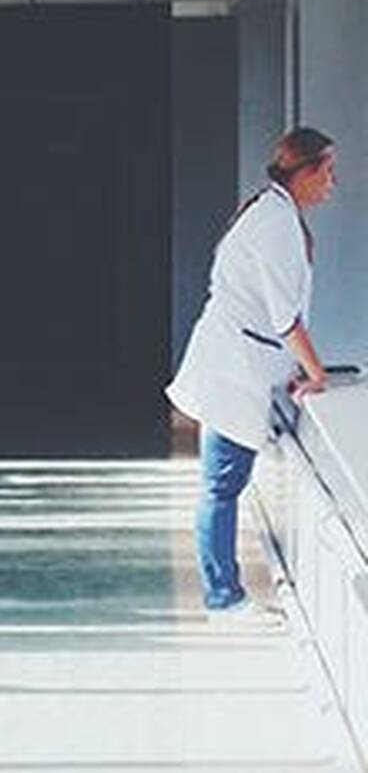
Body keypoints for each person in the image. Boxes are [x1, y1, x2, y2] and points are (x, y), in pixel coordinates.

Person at [167, 127, 335, 621]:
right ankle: (223, 596)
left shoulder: (274, 211)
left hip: (236, 363)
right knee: (221, 484)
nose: (333, 182)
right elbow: (285, 317)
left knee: (222, 483)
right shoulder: (276, 223)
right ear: (303, 172)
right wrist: (318, 374)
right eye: (327, 171)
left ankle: (224, 591)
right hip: (229, 370)